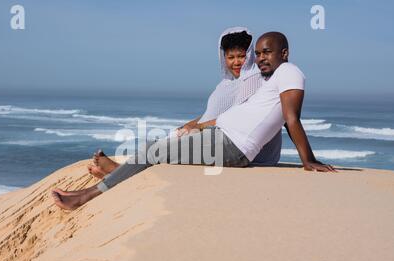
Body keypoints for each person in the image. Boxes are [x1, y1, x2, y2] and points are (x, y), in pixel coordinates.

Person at [52, 32, 336, 211]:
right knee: (155, 149)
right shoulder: (272, 78)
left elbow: (291, 119)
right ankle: (114, 180)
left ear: (283, 53)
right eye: (258, 53)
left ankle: (84, 198)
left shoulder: (290, 71)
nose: (260, 58)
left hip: (232, 144)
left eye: (267, 52)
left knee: (153, 150)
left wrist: (307, 160)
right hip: (224, 137)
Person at [87, 27, 282, 180]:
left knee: (155, 149)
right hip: (215, 135)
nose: (236, 62)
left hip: (239, 149)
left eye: (241, 56)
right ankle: (123, 172)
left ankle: (118, 172)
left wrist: (198, 126)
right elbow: (212, 112)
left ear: (249, 55)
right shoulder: (226, 84)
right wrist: (193, 122)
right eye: (230, 57)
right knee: (164, 144)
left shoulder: (254, 81)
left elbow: (237, 118)